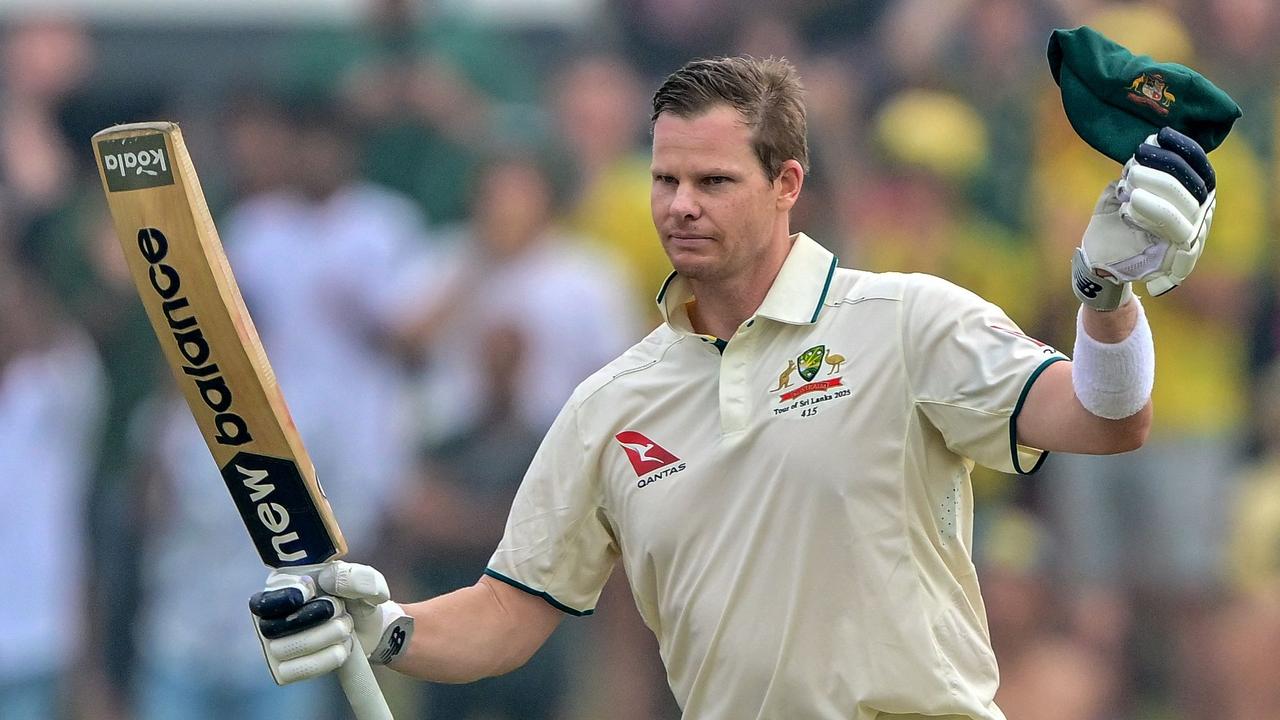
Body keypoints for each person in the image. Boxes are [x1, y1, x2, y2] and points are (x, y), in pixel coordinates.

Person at [246, 56, 1216, 719]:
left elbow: (1103, 418)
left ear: (786, 181)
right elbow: (510, 611)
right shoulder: (611, 401)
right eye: (665, 181)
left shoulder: (908, 318)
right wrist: (387, 629)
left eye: (711, 182)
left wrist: (1101, 296)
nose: (677, 206)